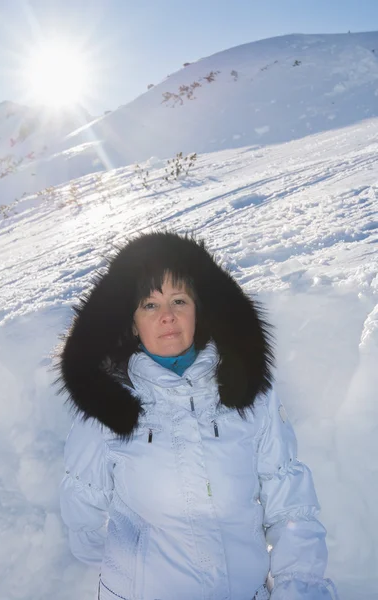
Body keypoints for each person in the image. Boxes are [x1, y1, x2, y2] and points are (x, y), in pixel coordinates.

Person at [59, 232, 338, 600]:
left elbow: (291, 505)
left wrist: (299, 589)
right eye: (149, 305)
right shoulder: (107, 408)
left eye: (179, 300)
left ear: (199, 310)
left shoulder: (249, 396)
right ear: (130, 323)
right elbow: (84, 522)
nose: (168, 316)